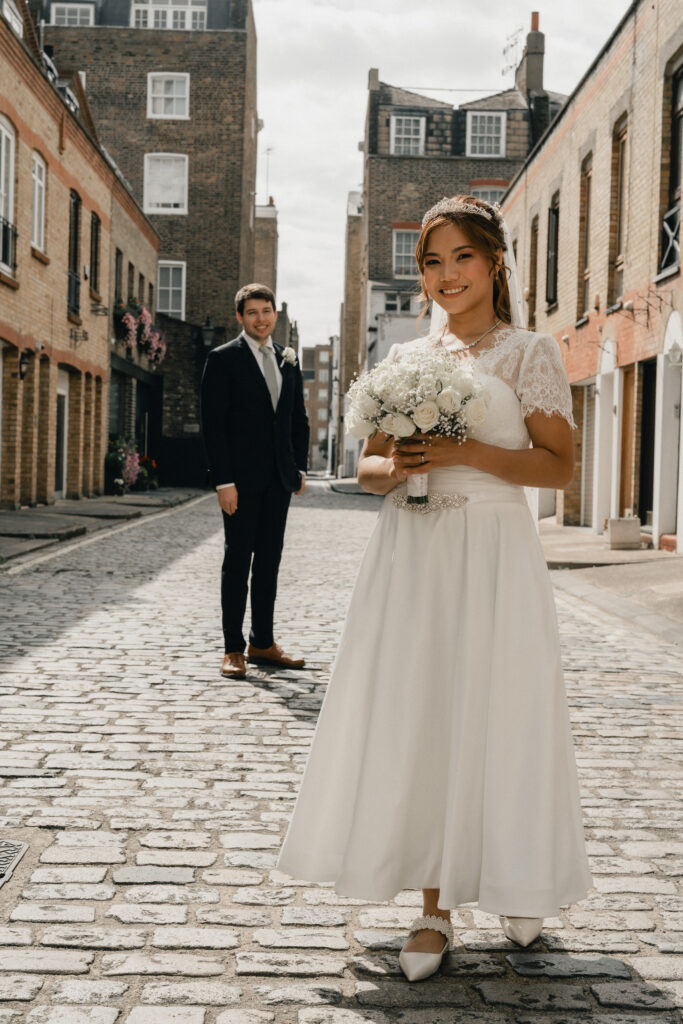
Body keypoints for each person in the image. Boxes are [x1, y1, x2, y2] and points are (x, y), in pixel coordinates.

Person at [277, 197, 592, 982]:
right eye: (430, 262)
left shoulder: (529, 353)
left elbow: (558, 466)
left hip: (491, 549)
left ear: (492, 262)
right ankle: (431, 910)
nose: (446, 275)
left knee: (501, 710)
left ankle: (520, 879)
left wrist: (469, 453)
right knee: (422, 713)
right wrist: (401, 466)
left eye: (460, 258)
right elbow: (369, 469)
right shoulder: (405, 356)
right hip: (412, 553)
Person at [200, 283, 309, 680]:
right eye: (252, 312)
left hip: (280, 479)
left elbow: (297, 417)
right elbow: (214, 427)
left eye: (266, 311)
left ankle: (262, 640)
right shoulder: (223, 358)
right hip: (240, 483)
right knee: (238, 560)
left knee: (269, 561)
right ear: (240, 318)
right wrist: (223, 481)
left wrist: (300, 466)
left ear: (274, 314)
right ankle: (233, 648)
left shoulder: (287, 359)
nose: (260, 318)